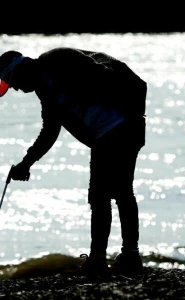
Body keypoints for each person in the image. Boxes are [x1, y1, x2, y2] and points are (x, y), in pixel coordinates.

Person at [0, 47, 147, 277]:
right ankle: (128, 257)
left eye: (11, 81)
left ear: (19, 69)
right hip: (114, 131)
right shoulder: (45, 91)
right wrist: (26, 163)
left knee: (103, 196)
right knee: (119, 193)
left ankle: (101, 260)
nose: (15, 88)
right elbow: (49, 132)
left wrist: (104, 104)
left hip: (118, 128)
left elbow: (104, 74)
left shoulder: (57, 59)